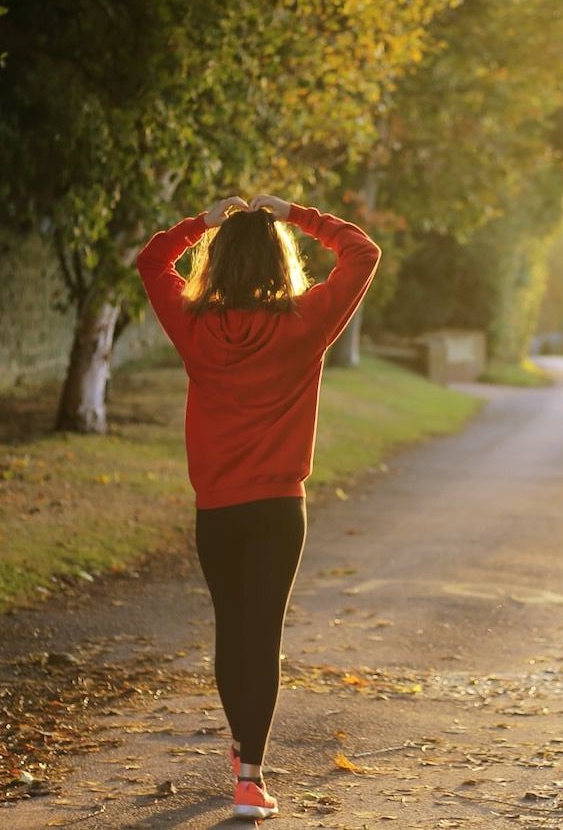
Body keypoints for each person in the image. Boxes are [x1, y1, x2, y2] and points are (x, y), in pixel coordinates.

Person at [136, 192, 381, 821]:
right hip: (278, 508)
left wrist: (203, 223)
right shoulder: (304, 323)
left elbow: (151, 260)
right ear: (280, 262)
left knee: (231, 629)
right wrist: (296, 214)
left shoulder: (193, 326)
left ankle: (244, 750)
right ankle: (250, 778)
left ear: (217, 264)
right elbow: (362, 252)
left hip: (217, 509)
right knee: (262, 634)